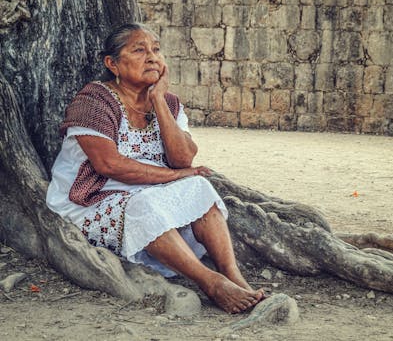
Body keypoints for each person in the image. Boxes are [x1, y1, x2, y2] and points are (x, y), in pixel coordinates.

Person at [46, 23, 264, 313]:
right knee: (146, 203)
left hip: (149, 190)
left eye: (156, 50)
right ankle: (209, 282)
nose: (152, 57)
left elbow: (183, 159)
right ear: (112, 64)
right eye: (139, 50)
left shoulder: (170, 103)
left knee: (199, 187)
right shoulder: (94, 100)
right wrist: (175, 177)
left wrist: (159, 100)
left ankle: (233, 276)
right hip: (91, 200)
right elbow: (109, 165)